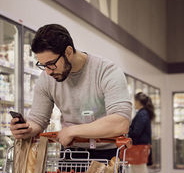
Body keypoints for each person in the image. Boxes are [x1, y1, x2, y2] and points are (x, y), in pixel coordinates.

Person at [10, 24, 132, 159]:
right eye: (43, 65)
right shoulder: (46, 79)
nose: (48, 71)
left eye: (51, 63)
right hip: (70, 153)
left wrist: (73, 131)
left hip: (107, 153)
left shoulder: (106, 71)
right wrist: (25, 130)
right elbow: (38, 121)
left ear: (68, 52)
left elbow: (120, 122)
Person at [124, 92, 155, 173]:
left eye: (134, 101)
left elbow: (136, 132)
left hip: (139, 149)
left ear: (138, 102)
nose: (134, 103)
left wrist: (127, 132)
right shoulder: (143, 113)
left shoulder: (142, 114)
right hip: (138, 149)